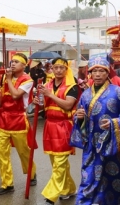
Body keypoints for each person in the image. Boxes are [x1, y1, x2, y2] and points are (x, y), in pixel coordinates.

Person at [70, 57, 120, 205]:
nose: (98, 74)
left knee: (114, 181)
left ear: (107, 73)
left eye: (101, 71)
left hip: (113, 144)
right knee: (88, 180)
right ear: (90, 74)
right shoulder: (85, 95)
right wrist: (80, 118)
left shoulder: (118, 92)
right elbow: (79, 116)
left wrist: (114, 123)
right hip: (92, 146)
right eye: (94, 71)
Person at [34, 57, 77, 205]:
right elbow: (41, 107)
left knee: (59, 163)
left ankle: (50, 196)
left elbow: (68, 106)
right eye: (55, 67)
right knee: (57, 163)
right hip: (50, 126)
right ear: (51, 69)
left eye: (61, 67)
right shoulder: (47, 85)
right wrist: (37, 103)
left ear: (66, 69)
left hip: (64, 126)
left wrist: (50, 95)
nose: (58, 70)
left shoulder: (72, 86)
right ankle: (69, 189)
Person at [0, 53, 37, 195]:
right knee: (2, 153)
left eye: (17, 62)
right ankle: (7, 184)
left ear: (24, 66)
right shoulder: (6, 77)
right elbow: (2, 96)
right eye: (12, 61)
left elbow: (15, 95)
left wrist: (10, 79)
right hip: (3, 118)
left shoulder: (28, 80)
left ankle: (31, 172)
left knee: (23, 151)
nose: (12, 64)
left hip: (17, 119)